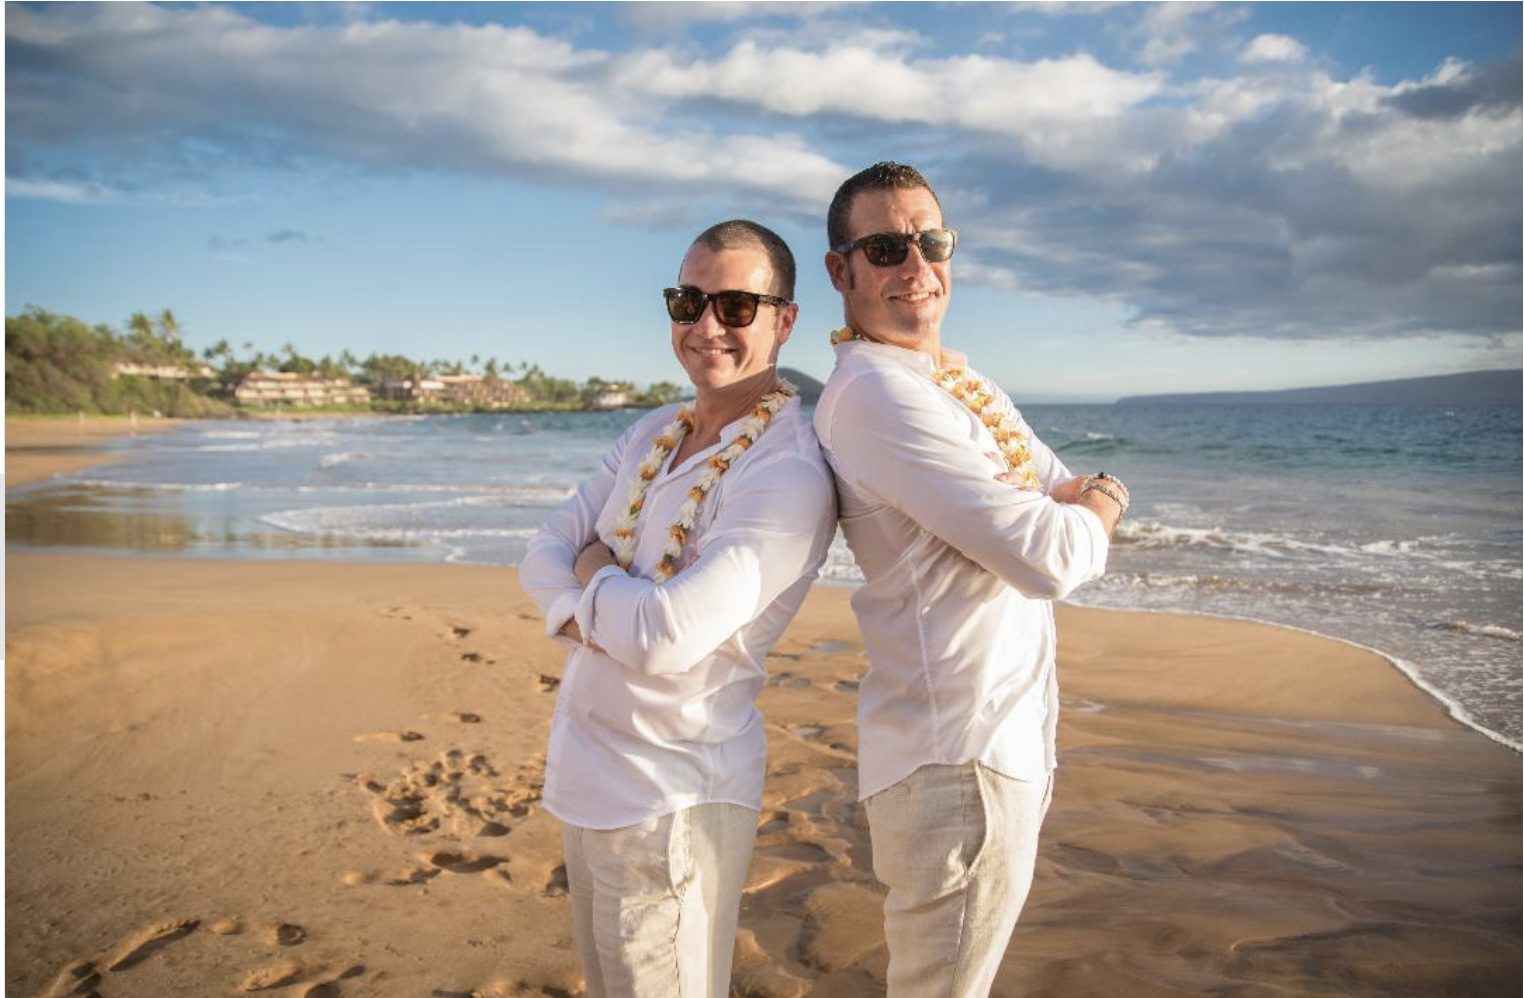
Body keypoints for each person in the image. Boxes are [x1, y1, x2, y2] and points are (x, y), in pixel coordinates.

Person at [813, 162, 1129, 996]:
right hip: (955, 751)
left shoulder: (956, 381)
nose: (916, 267)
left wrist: (1075, 502)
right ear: (841, 271)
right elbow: (1051, 555)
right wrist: (1098, 503)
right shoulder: (877, 395)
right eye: (885, 247)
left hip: (994, 740)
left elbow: (1058, 488)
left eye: (932, 241)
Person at [519, 219, 836, 997]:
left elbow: (666, 638)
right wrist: (606, 593)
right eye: (687, 300)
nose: (705, 326)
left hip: (674, 799)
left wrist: (590, 571)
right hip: (588, 778)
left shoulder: (787, 471)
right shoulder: (651, 432)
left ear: (784, 320)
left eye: (735, 305)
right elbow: (539, 555)